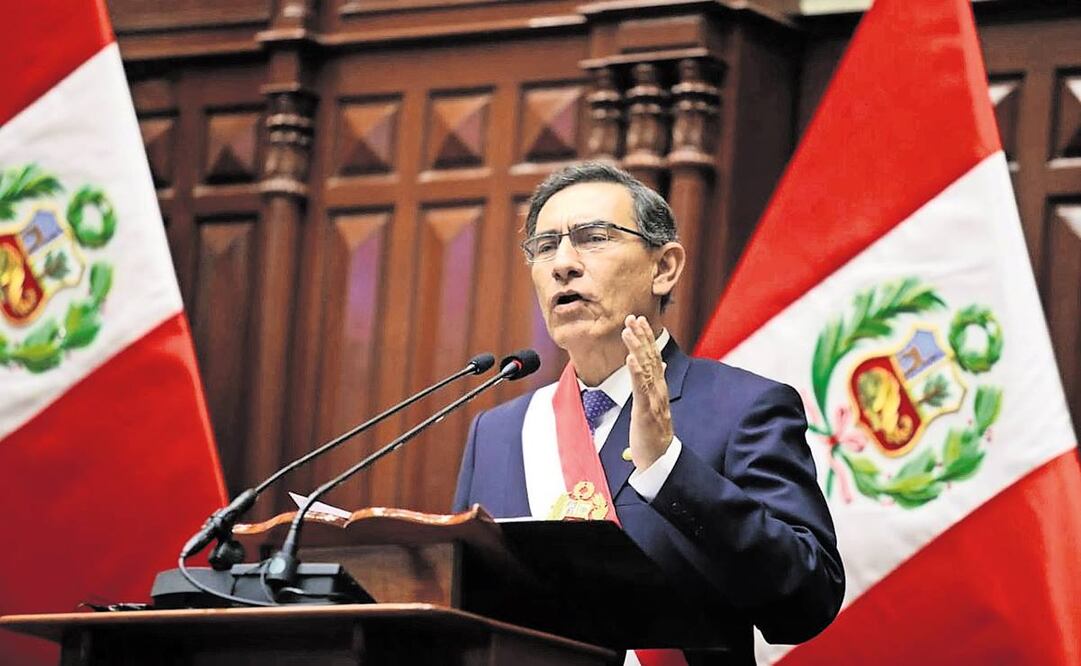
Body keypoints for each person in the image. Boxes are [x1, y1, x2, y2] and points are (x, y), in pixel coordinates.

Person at [453, 162, 844, 665]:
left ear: (664, 268)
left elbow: (807, 601)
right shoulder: (499, 432)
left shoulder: (743, 409)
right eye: (546, 246)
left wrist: (669, 470)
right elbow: (459, 598)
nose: (562, 264)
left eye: (592, 238)